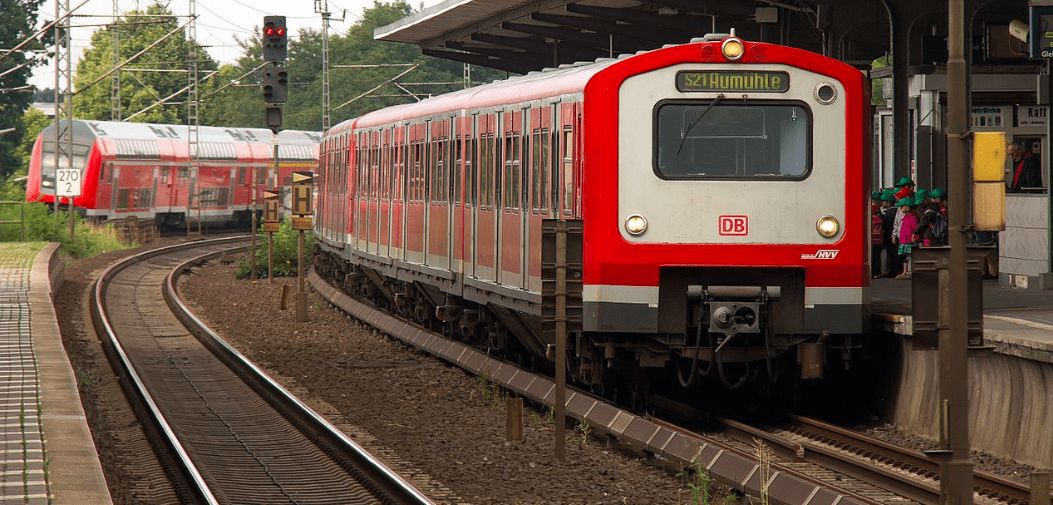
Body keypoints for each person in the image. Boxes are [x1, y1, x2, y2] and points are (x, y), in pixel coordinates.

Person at [895, 197, 918, 279]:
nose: (900, 208)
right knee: (905, 256)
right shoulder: (906, 217)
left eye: (902, 206)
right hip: (904, 240)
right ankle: (904, 272)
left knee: (909, 256)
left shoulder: (912, 218)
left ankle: (909, 272)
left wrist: (914, 237)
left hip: (909, 240)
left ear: (907, 208)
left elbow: (915, 229)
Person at [871, 191, 885, 278]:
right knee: (876, 256)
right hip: (878, 239)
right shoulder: (878, 213)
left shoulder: (870, 209)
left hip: (871, 239)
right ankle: (876, 272)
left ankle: (873, 272)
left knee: (873, 256)